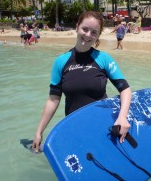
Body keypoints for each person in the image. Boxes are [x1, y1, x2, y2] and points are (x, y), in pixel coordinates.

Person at [32, 11, 132, 153]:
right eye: (85, 29)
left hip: (103, 127)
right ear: (77, 27)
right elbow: (53, 99)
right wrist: (39, 131)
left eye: (94, 32)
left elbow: (125, 89)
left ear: (98, 35)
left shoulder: (104, 59)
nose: (88, 35)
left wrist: (122, 117)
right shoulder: (61, 61)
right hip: (75, 128)